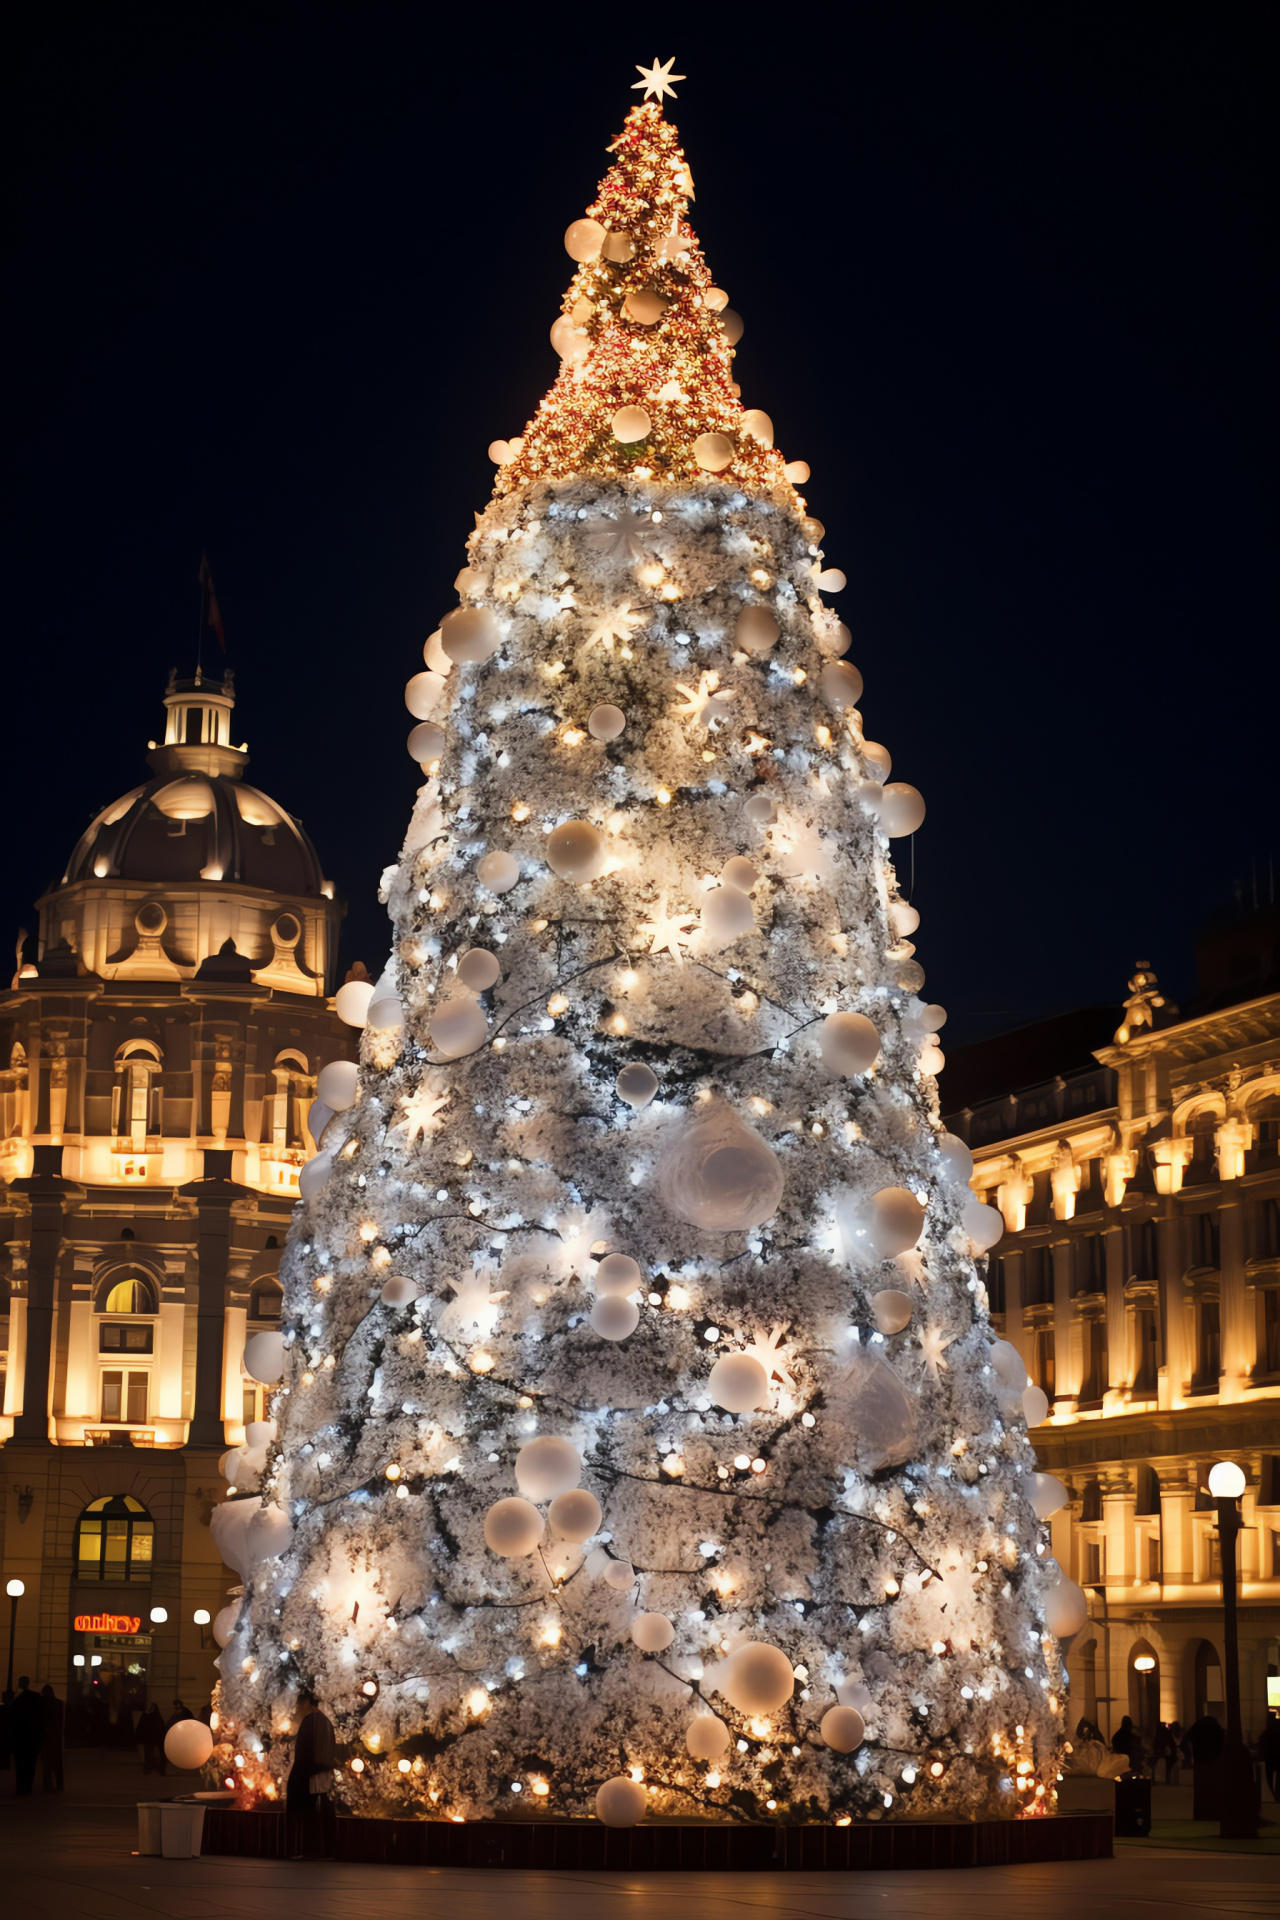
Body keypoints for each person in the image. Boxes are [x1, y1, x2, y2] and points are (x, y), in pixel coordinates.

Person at [286, 1689, 337, 1861]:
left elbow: (306, 1751)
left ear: (308, 1702)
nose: (299, 1705)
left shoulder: (312, 1721)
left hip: (311, 1772)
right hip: (319, 1770)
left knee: (312, 1809)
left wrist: (302, 1772)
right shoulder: (323, 1721)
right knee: (320, 1806)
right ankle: (324, 1849)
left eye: (302, 1702)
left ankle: (310, 1849)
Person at [9, 1677, 45, 1796]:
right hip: (32, 1736)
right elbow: (41, 1718)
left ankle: (21, 1787)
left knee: (20, 1765)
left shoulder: (17, 1701)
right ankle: (28, 1787)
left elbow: (12, 1720)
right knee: (31, 1763)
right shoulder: (36, 1698)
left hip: (20, 1737)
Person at [39, 1685, 64, 1792]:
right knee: (57, 1761)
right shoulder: (59, 1703)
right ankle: (59, 1784)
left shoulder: (42, 1704)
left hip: (46, 1737)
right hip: (56, 1736)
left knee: (46, 1763)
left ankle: (47, 1784)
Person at [139, 1701, 167, 1776]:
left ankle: (158, 1769)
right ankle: (149, 1768)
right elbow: (142, 1725)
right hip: (150, 1738)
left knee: (155, 1754)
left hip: (155, 1738)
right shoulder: (148, 1716)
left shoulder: (155, 1717)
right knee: (148, 1754)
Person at [1258, 1711, 1280, 1801]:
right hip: (1276, 1758)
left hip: (1270, 1758)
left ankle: (1275, 1795)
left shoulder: (1266, 1734)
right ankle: (1277, 1796)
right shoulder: (1276, 1732)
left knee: (1269, 1779)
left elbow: (1261, 1744)